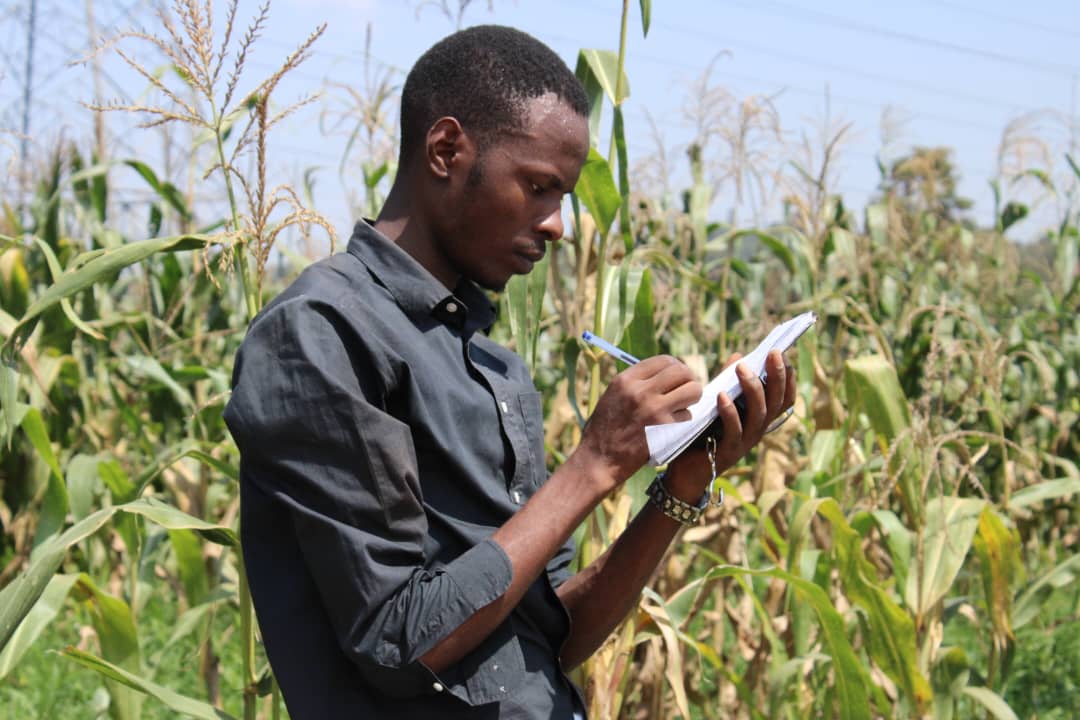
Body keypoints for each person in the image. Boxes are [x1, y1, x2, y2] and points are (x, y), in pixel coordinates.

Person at [224, 24, 794, 720]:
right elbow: (399, 640)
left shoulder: (489, 362)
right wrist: (593, 463)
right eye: (538, 187)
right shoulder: (321, 334)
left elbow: (550, 639)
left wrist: (681, 484)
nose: (559, 226)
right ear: (446, 150)